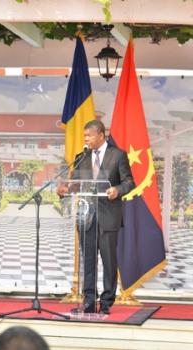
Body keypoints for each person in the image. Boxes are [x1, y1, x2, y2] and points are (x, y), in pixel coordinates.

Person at [57, 119, 135, 314]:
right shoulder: (81, 157)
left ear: (100, 135)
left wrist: (117, 189)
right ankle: (89, 301)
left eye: (89, 135)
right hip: (86, 217)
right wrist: (64, 190)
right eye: (84, 136)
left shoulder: (118, 155)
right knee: (88, 261)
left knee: (108, 261)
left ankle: (106, 302)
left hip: (109, 217)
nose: (86, 139)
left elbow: (129, 182)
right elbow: (75, 184)